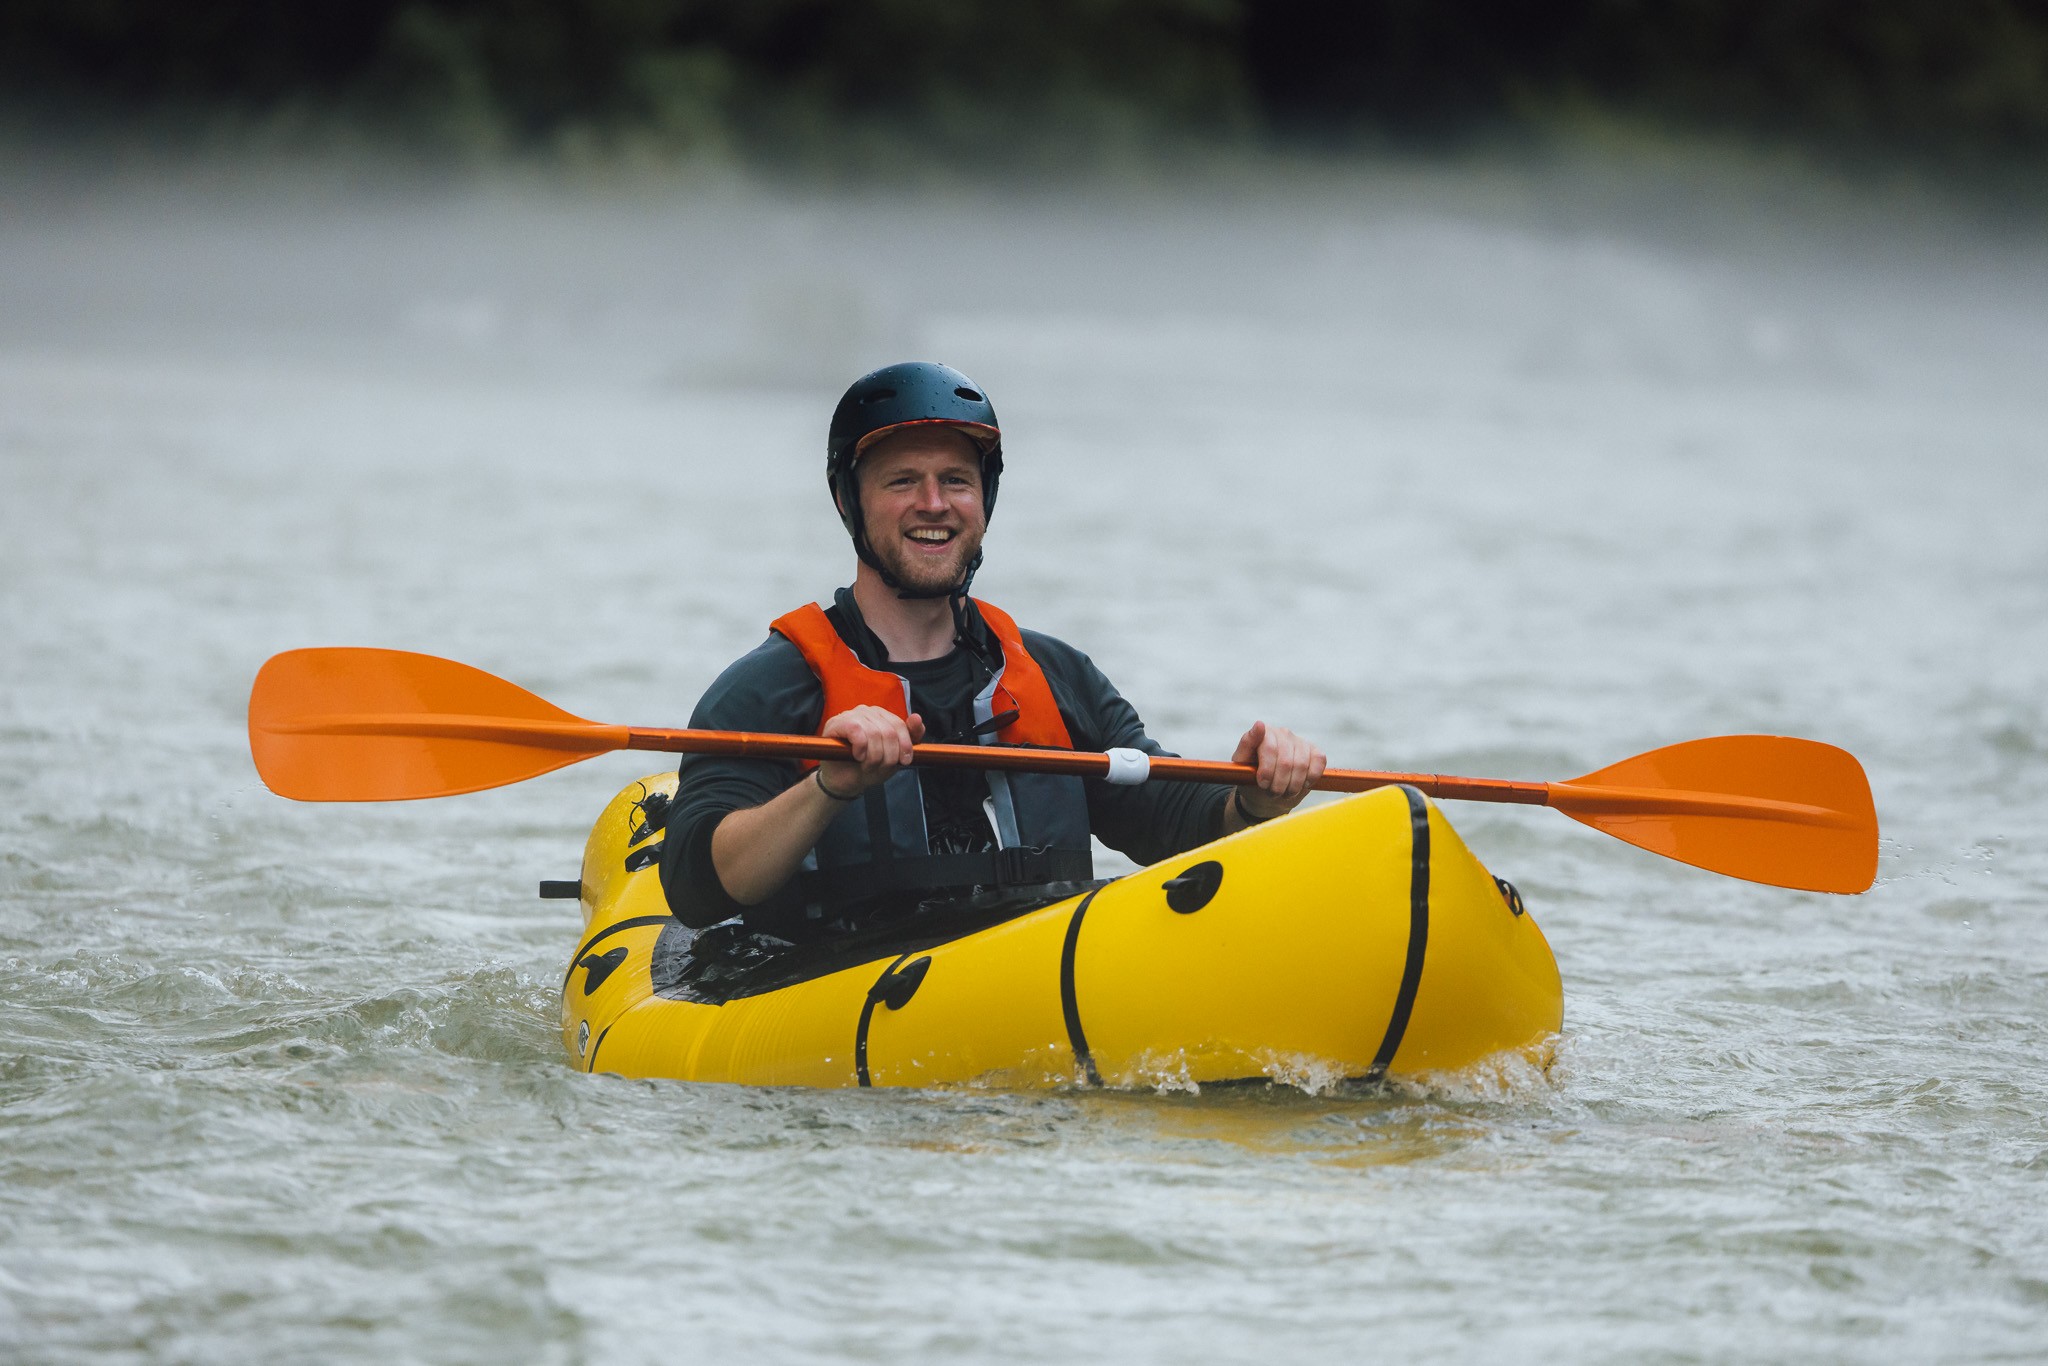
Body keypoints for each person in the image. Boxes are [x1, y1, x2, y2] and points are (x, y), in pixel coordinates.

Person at [658, 361, 1325, 943]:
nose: (934, 504)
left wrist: (1256, 797)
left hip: (1029, 983)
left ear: (984, 500)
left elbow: (1170, 822)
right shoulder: (770, 689)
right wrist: (830, 785)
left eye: (956, 480)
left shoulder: (1055, 674)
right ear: (848, 502)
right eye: (901, 482)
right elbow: (697, 888)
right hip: (837, 990)